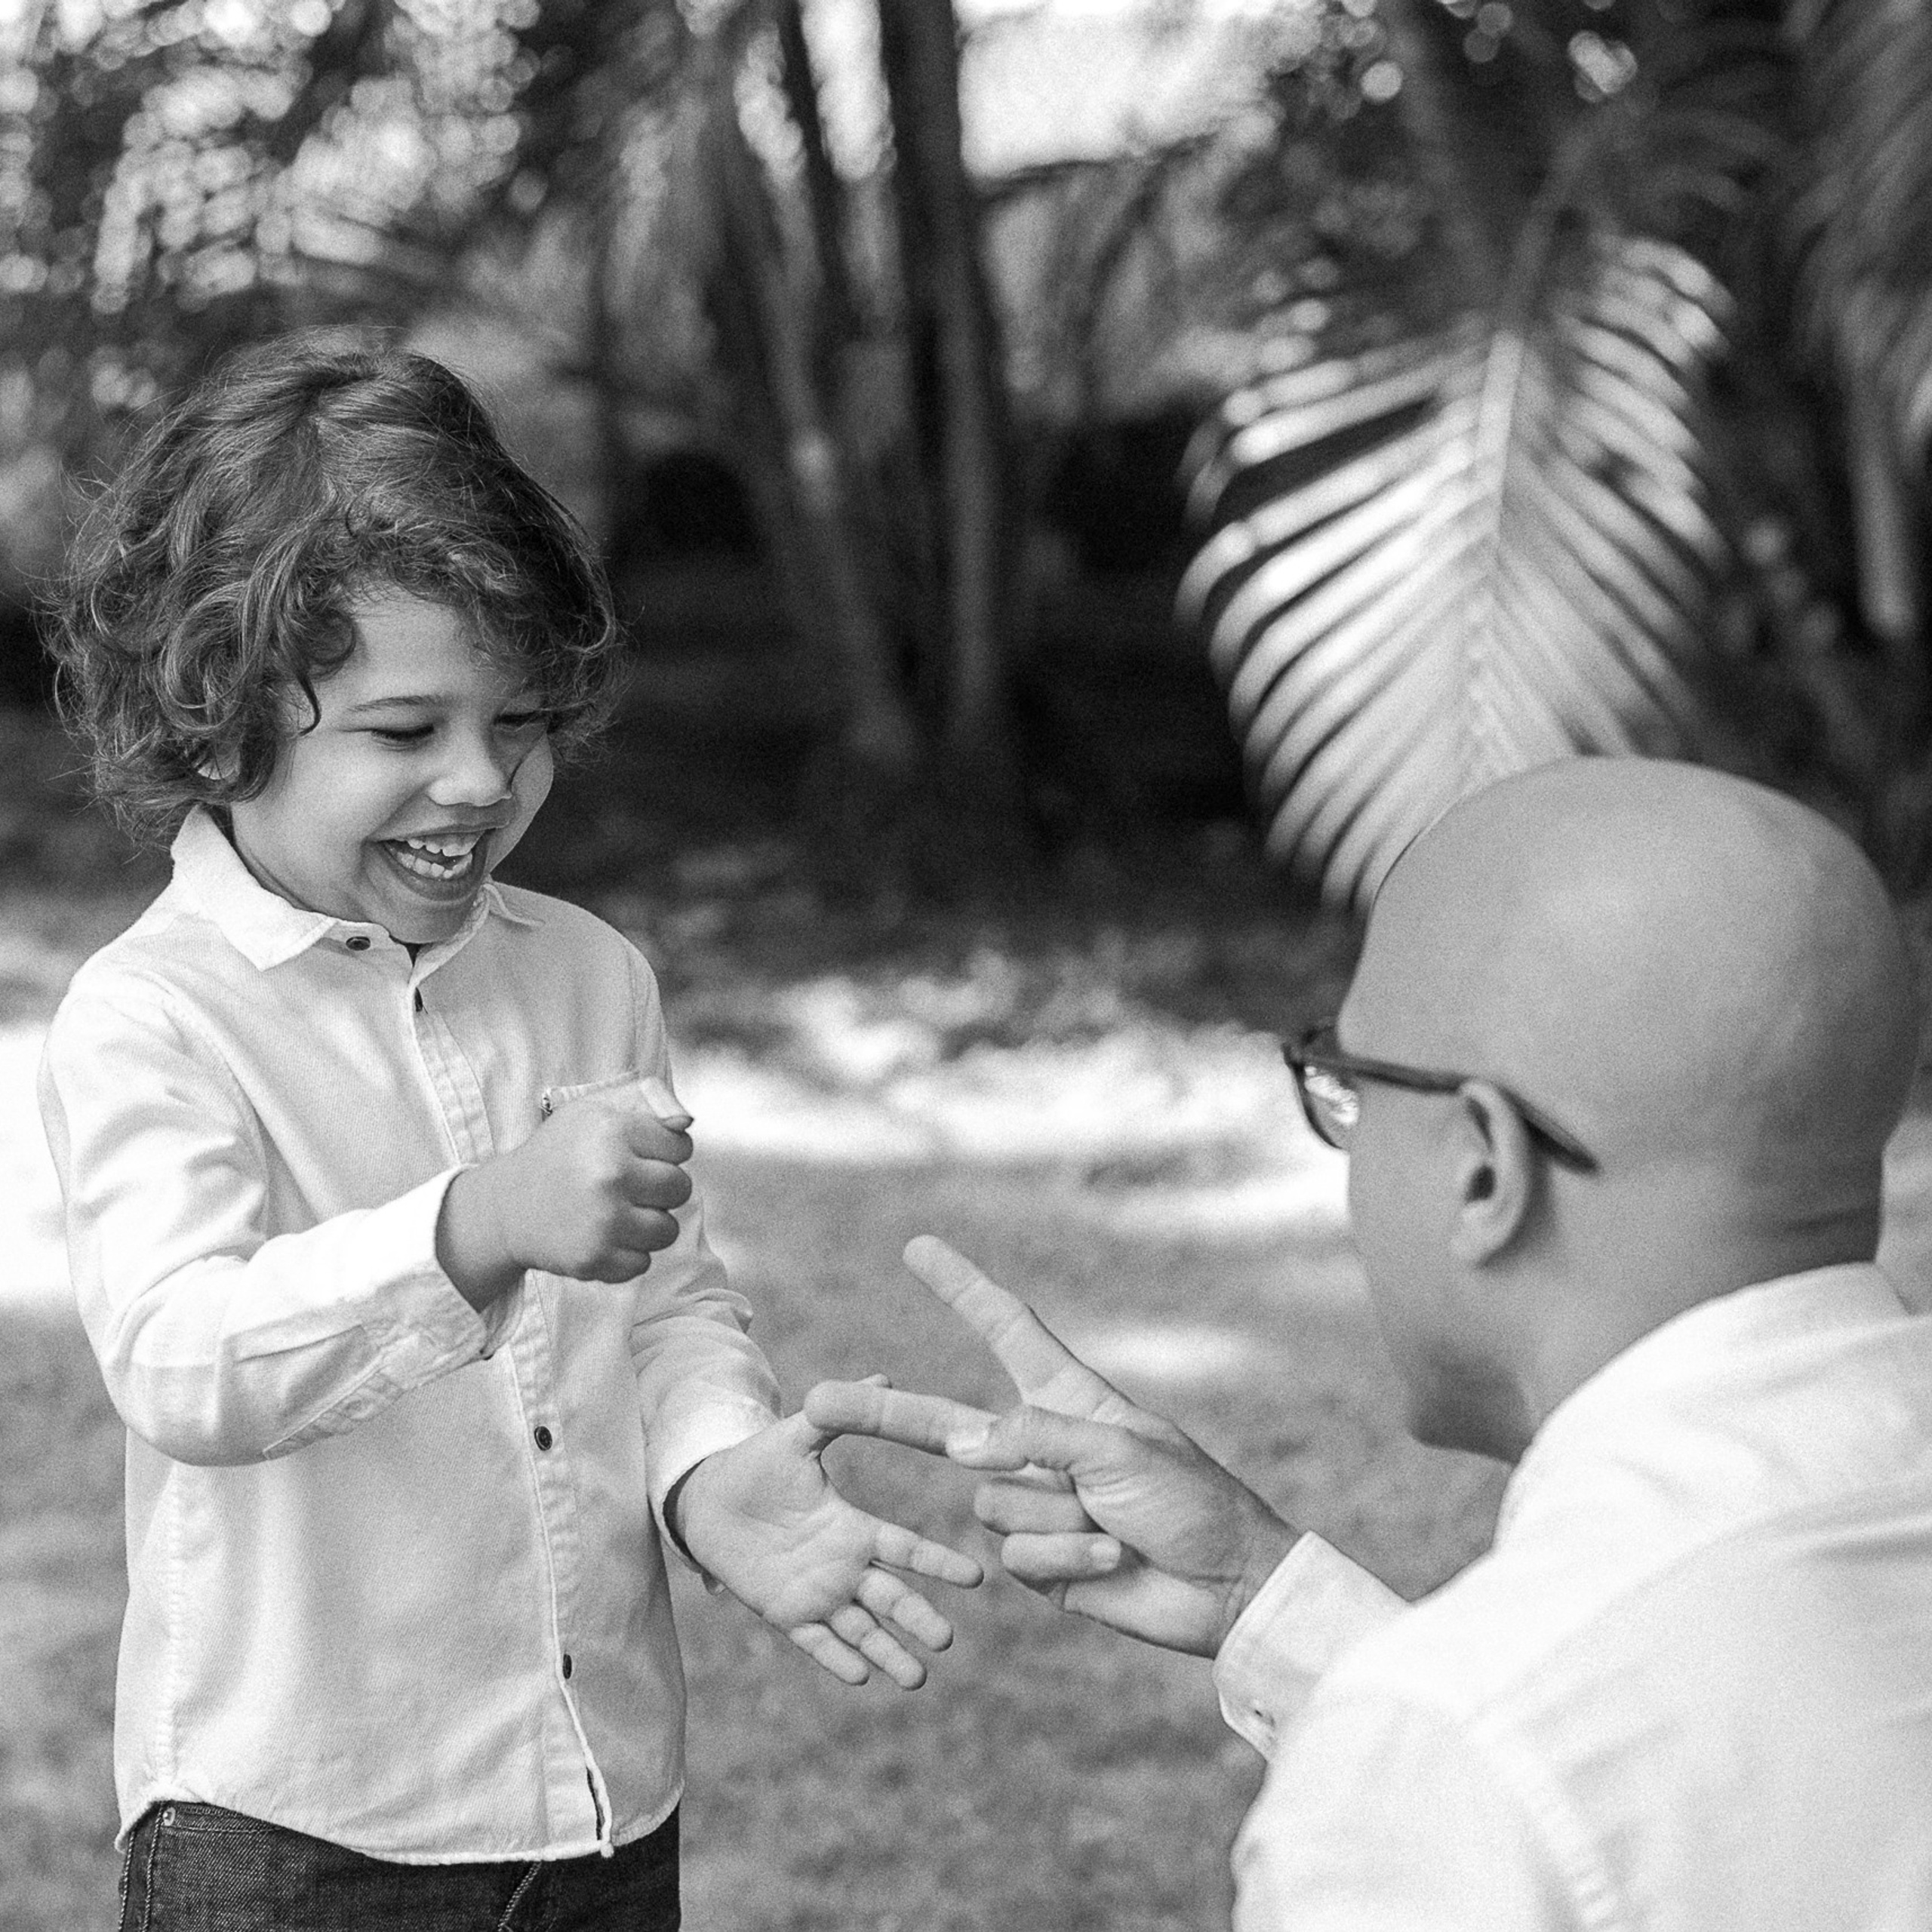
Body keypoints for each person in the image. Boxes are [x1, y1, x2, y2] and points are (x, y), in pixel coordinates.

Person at [38, 331, 979, 1931]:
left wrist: (705, 1469)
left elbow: (665, 1302)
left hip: (599, 1800)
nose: (480, 780)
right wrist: (470, 1225)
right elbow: (184, 1362)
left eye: (522, 720)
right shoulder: (157, 1015)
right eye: (405, 732)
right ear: (217, 723)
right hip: (295, 1832)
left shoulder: (586, 974)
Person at [808, 758, 1932, 1930]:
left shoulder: (1447, 1765)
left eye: (1348, 1088)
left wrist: (1418, 1731)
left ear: (1485, 1166)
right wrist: (1264, 1592)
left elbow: (1525, 1767)